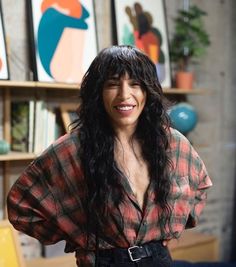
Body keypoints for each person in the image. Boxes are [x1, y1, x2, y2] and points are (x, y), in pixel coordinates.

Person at [7, 45, 212, 267]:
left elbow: (200, 186)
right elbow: (21, 206)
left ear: (148, 91)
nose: (125, 95)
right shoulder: (73, 149)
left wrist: (173, 225)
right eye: (113, 84)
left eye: (135, 84)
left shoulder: (173, 143)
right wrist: (79, 235)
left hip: (159, 260)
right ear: (98, 92)